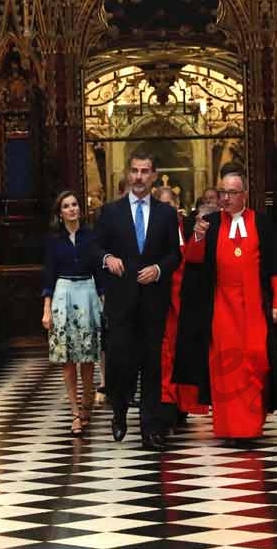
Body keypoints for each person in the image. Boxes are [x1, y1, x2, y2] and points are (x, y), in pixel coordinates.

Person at [180, 164, 277, 439]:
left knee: (256, 360)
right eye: (223, 192)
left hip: (255, 306)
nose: (226, 198)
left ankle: (251, 425)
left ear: (245, 195)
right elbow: (193, 260)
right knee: (225, 365)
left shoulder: (261, 223)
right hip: (222, 306)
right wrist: (197, 236)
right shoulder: (210, 225)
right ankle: (228, 427)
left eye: (232, 193)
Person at [93, 150, 182, 450]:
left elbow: (175, 254)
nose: (139, 177)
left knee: (152, 365)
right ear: (128, 174)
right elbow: (96, 249)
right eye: (135, 171)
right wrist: (107, 259)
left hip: (153, 301)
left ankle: (150, 428)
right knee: (120, 360)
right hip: (121, 301)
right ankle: (119, 411)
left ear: (154, 175)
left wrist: (158, 269)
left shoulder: (166, 214)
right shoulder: (110, 212)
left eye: (145, 171)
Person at [42, 191, 103, 436]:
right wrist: (46, 309)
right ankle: (75, 411)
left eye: (75, 205)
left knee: (87, 357)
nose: (72, 209)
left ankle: (88, 402)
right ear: (60, 213)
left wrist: (102, 299)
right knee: (67, 359)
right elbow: (48, 274)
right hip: (62, 293)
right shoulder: (53, 240)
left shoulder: (91, 237)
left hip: (87, 292)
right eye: (66, 206)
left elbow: (99, 270)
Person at [155, 187, 210, 421]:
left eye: (171, 204)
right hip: (163, 302)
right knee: (164, 357)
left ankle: (183, 407)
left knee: (185, 355)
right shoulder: (152, 231)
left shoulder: (189, 227)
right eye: (163, 204)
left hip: (187, 302)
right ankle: (166, 406)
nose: (168, 209)